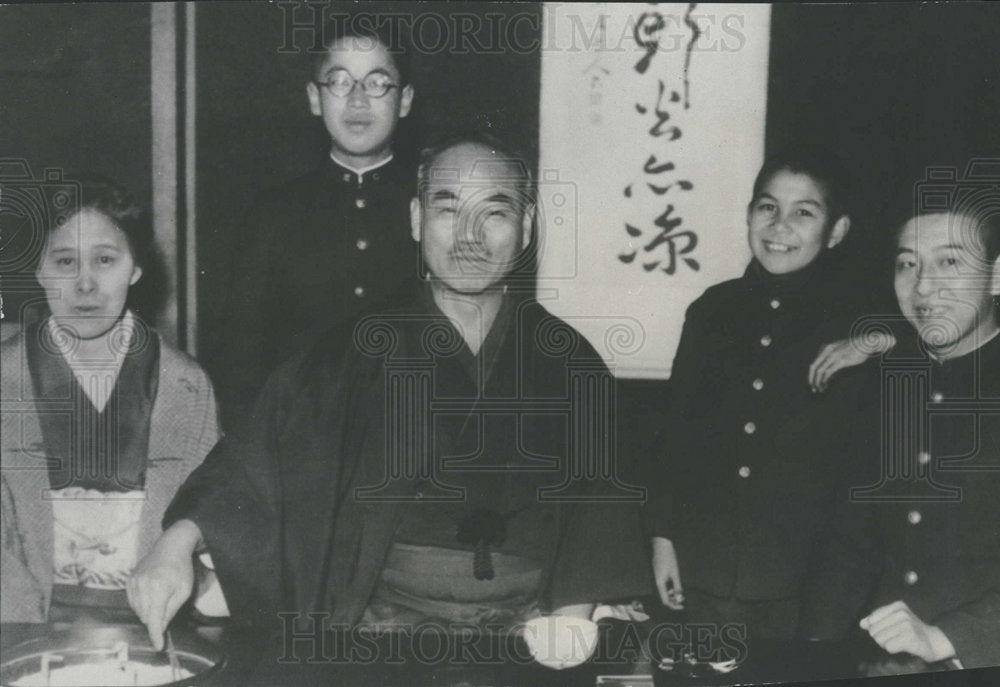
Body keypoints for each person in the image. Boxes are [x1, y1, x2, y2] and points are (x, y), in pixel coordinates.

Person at [128, 135, 652, 651]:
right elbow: (256, 458)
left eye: (494, 212)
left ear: (527, 227)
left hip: (529, 633)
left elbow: (598, 519)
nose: (469, 235)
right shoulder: (352, 353)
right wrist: (175, 546)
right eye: (448, 209)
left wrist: (569, 621)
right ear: (417, 220)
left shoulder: (568, 362)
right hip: (378, 631)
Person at [644, 146, 878, 639]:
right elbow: (673, 436)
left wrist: (880, 340)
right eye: (767, 207)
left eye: (804, 213)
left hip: (809, 583)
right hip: (704, 571)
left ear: (835, 231)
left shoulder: (859, 322)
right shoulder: (712, 311)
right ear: (749, 215)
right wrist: (662, 537)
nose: (780, 226)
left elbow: (940, 337)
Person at [1, 178, 220, 622]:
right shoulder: (6, 377)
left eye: (105, 260)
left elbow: (211, 513)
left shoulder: (186, 385)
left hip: (155, 623)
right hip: (23, 625)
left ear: (136, 268)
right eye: (65, 261)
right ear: (39, 270)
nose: (85, 284)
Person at [801, 208, 1000, 670]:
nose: (924, 286)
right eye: (908, 263)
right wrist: (812, 656)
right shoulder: (885, 384)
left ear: (995, 277)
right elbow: (847, 544)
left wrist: (947, 638)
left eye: (950, 262)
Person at [205, 15, 418, 430]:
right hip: (302, 444)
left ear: (405, 99)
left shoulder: (435, 205)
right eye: (339, 82)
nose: (358, 101)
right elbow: (240, 366)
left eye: (377, 83)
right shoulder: (271, 215)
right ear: (315, 97)